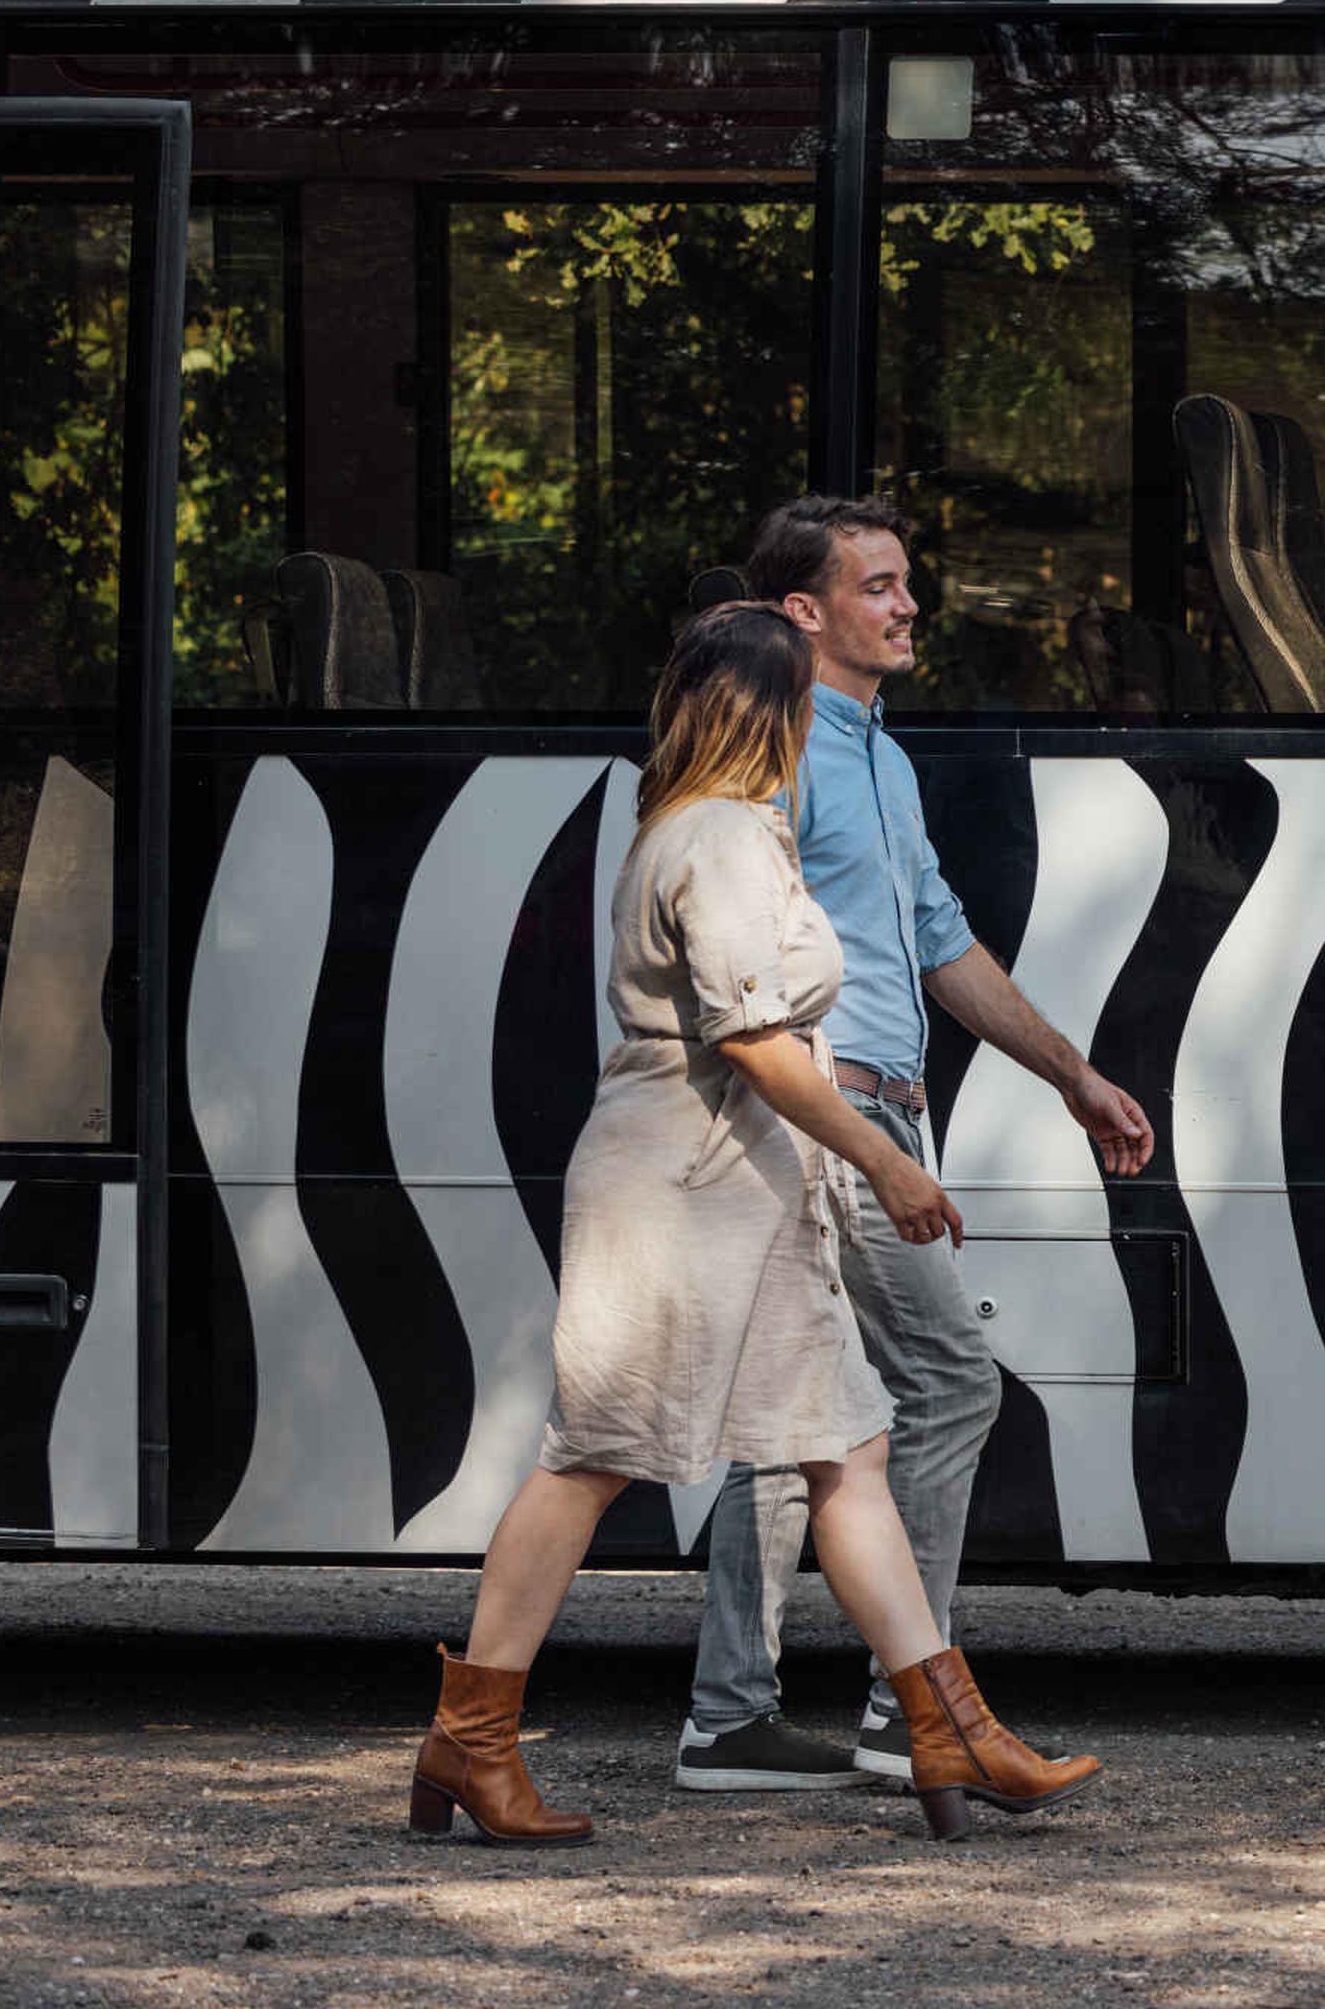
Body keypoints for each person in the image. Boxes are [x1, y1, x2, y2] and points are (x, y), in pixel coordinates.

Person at [409, 604, 1100, 1846]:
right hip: (679, 1187)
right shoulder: (718, 836)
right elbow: (753, 1042)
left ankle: (947, 1727)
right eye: (802, 705)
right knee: (593, 1458)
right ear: (769, 713)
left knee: (847, 1447)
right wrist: (887, 1161)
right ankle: (470, 1743)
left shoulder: (725, 829)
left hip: (755, 1186)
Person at [672, 496, 1159, 1795]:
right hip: (824, 1106)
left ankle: (729, 1719)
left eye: (906, 584)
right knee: (949, 1380)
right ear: (805, 612)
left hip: (889, 1095)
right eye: (878, 586)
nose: (908, 606)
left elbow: (942, 943)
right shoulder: (765, 754)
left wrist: (1073, 1074)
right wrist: (844, 1122)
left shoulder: (880, 756)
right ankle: (913, 1707)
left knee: (791, 1411)